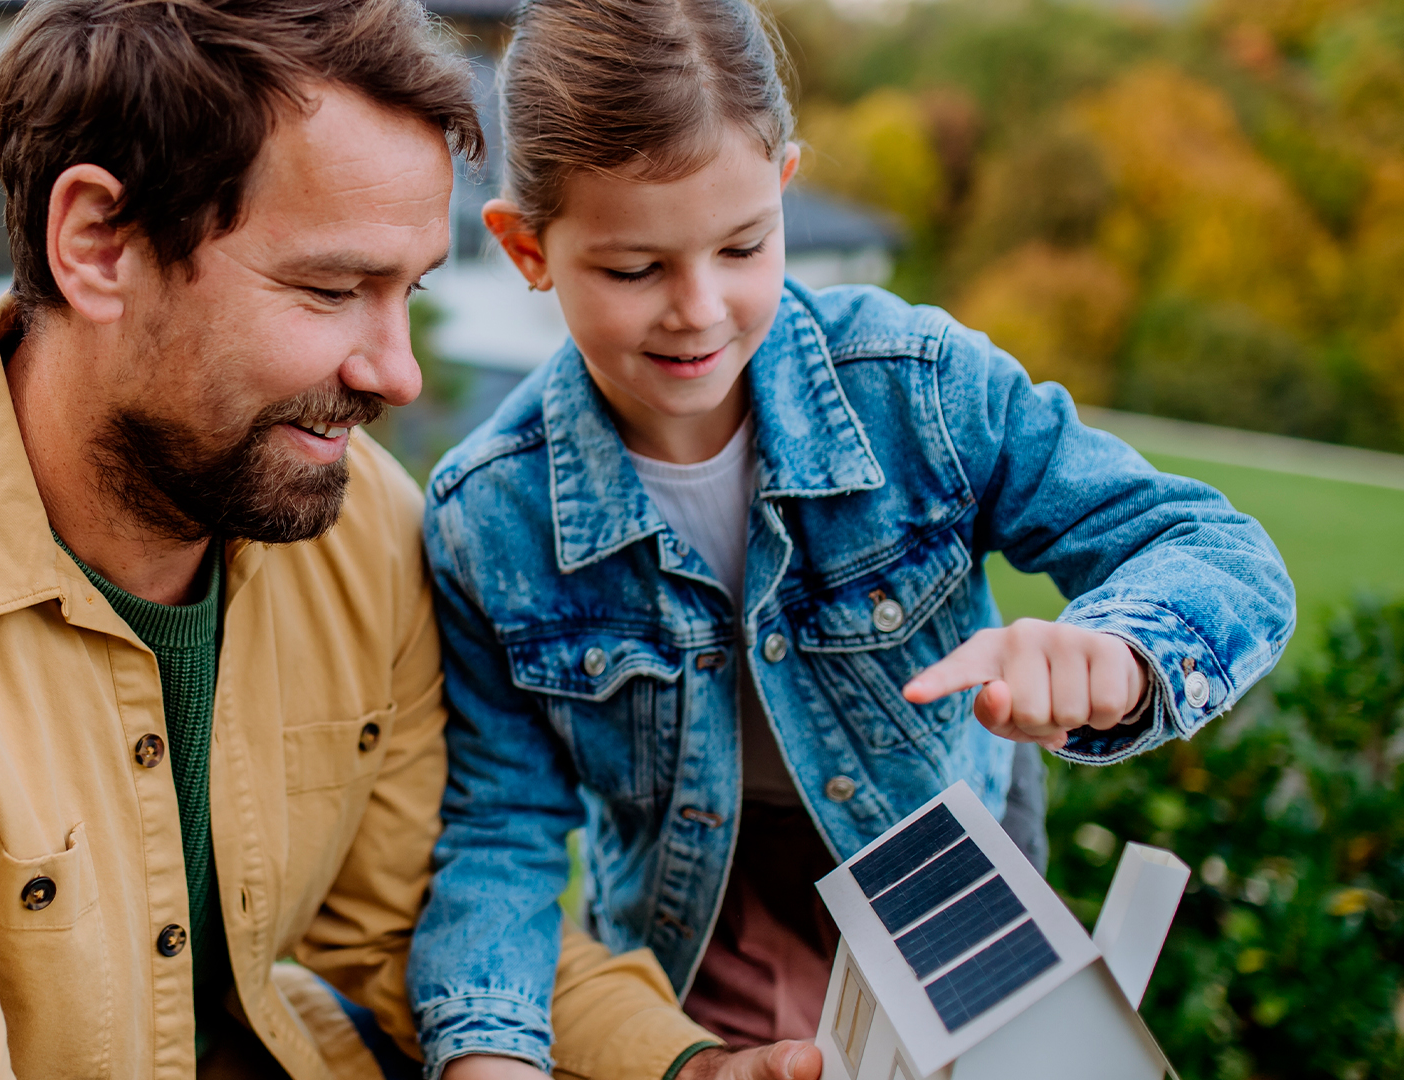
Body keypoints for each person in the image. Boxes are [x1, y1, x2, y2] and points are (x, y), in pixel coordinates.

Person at [0, 1, 738, 1077]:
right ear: (99, 243)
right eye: (331, 289)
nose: (398, 373)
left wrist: (687, 1065)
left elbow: (414, 922)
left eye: (411, 291)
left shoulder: (357, 530)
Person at [406, 0, 1295, 1076]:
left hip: (957, 928)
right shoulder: (489, 516)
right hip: (694, 966)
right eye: (635, 270)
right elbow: (500, 831)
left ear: (783, 187)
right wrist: (489, 1049)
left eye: (744, 246)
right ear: (526, 247)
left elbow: (1215, 548)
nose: (699, 309)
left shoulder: (919, 390)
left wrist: (1121, 651)